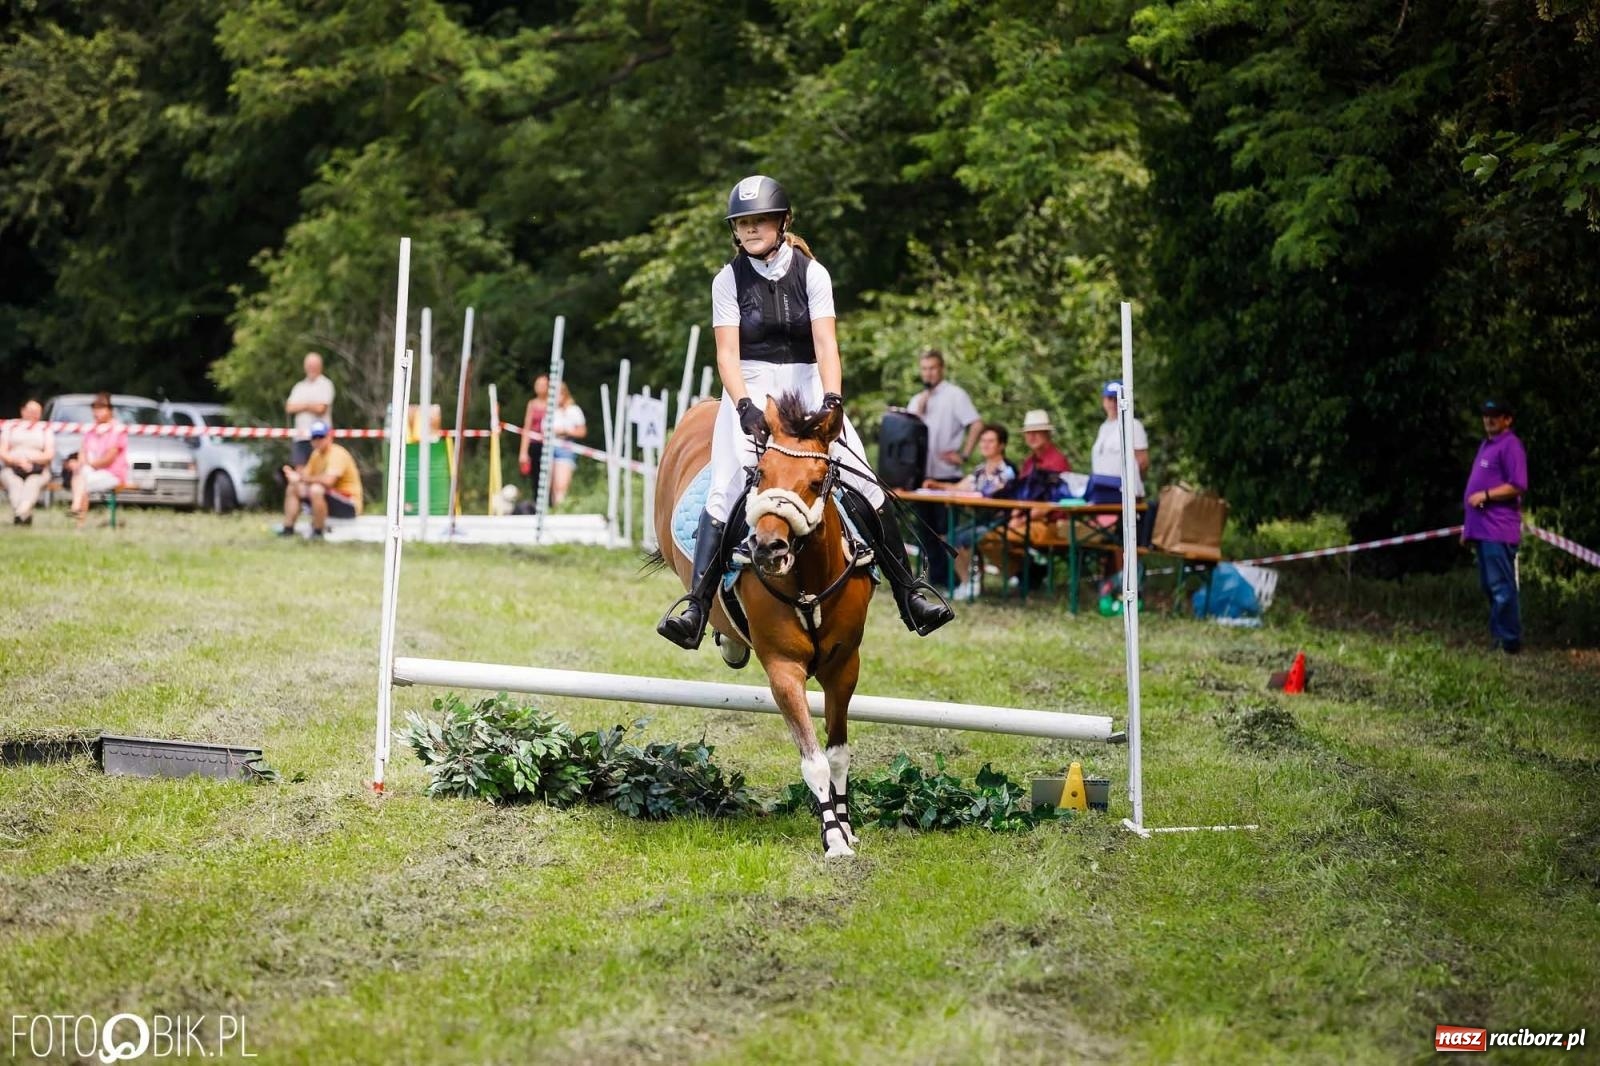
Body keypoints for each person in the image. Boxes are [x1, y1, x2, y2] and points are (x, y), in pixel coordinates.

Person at [656, 174, 953, 648]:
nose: (750, 230)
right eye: (743, 223)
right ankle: (697, 605)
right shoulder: (726, 280)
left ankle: (910, 594)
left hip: (808, 383)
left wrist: (833, 399)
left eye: (759, 221)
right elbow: (727, 355)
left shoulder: (812, 274)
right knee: (726, 488)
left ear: (783, 221)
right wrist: (744, 405)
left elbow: (826, 343)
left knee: (864, 484)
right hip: (751, 386)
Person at [908, 349, 982, 583]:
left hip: (947, 476)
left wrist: (964, 454)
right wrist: (918, 411)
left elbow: (977, 423)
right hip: (922, 476)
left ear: (941, 369)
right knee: (925, 532)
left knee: (945, 531)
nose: (928, 373)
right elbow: (906, 434)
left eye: (933, 368)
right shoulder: (917, 399)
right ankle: (937, 579)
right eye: (925, 369)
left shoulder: (955, 395)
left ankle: (956, 579)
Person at [1461, 398, 1527, 654]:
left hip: (1498, 529)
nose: (1489, 419)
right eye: (1486, 415)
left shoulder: (1511, 446)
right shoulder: (1485, 445)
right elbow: (1473, 490)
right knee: (1489, 587)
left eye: (1495, 415)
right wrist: (1468, 528)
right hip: (1481, 529)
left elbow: (1517, 484)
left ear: (1507, 419)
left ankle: (1509, 642)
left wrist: (1486, 495)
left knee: (1501, 587)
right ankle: (1499, 637)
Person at [922, 422, 1016, 600]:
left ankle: (969, 583)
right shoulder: (980, 470)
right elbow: (961, 487)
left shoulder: (1007, 471)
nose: (985, 445)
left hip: (1001, 521)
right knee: (949, 538)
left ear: (1002, 445)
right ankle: (967, 582)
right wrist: (937, 485)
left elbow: (986, 494)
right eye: (983, 441)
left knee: (959, 539)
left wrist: (969, 495)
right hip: (981, 519)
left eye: (991, 441)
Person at [1090, 380, 1150, 575]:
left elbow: (1142, 461)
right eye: (1109, 398)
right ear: (1103, 400)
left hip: (1126, 493)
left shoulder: (1133, 425)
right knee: (1107, 540)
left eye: (1117, 399)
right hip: (1103, 494)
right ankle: (1109, 583)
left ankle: (1128, 583)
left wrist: (1136, 486)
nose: (1113, 403)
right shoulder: (1104, 427)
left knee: (1125, 540)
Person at [279, 421, 362, 537]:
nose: (317, 440)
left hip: (349, 504)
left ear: (329, 437)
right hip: (329, 499)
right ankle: (288, 529)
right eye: (314, 437)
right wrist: (294, 478)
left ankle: (318, 532)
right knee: (294, 488)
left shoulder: (337, 453)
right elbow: (305, 478)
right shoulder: (316, 455)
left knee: (316, 489)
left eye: (321, 437)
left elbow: (328, 481)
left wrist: (300, 478)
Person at [67, 392, 129, 527]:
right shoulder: (91, 430)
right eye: (95, 409)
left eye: (101, 409)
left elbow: (109, 459)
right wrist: (80, 463)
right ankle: (77, 512)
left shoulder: (117, 430)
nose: (97, 412)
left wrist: (87, 464)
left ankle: (77, 515)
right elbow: (82, 451)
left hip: (112, 473)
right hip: (91, 471)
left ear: (110, 410)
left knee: (82, 478)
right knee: (81, 474)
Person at [1, 399, 55, 526]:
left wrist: (31, 461)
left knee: (33, 483)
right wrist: (17, 461)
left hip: (39, 469)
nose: (34, 414)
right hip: (12, 467)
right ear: (22, 411)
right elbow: (2, 451)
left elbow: (49, 454)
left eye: (37, 412)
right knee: (15, 483)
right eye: (31, 411)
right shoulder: (11, 427)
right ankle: (24, 515)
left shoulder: (45, 429)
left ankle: (20, 513)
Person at [284, 352, 335, 469]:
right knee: (300, 474)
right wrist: (310, 405)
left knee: (320, 471)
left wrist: (302, 405)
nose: (311, 368)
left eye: (314, 365)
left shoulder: (325, 384)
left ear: (320, 366)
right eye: (309, 365)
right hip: (301, 437)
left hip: (320, 437)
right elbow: (289, 407)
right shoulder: (299, 386)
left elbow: (321, 408)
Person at [547, 382, 586, 507]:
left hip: (565, 448)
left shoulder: (573, 410)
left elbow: (582, 431)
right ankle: (554, 513)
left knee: (561, 487)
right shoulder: (551, 411)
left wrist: (566, 431)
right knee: (552, 488)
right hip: (549, 448)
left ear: (564, 394)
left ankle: (560, 512)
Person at [516, 373, 550, 502]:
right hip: (534, 445)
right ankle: (537, 504)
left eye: (542, 384)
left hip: (549, 444)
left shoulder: (553, 403)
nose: (539, 387)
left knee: (549, 476)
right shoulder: (532, 404)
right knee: (536, 478)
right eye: (538, 384)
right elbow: (527, 427)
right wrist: (523, 452)